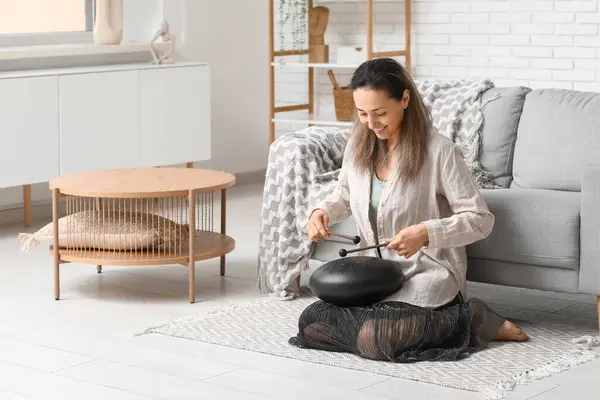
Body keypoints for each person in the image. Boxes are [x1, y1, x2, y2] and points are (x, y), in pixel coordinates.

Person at [292, 58, 528, 362]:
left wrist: (426, 233)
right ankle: (394, 323)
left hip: (424, 272)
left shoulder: (439, 150)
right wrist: (320, 212)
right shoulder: (358, 145)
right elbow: (343, 196)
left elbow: (479, 220)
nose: (371, 123)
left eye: (379, 113)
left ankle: (472, 319)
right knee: (311, 323)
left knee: (378, 341)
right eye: (362, 114)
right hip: (372, 277)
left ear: (404, 99)